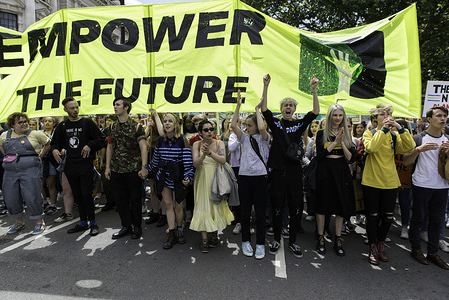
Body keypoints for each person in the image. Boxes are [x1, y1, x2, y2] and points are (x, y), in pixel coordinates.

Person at [261, 74, 320, 258]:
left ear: (294, 109)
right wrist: (266, 86)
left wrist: (314, 90)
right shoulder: (276, 123)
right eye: (285, 105)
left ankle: (293, 241)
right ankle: (277, 239)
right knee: (277, 208)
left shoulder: (300, 123)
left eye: (291, 105)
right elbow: (264, 109)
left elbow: (316, 112)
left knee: (295, 209)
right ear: (281, 109)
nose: (288, 107)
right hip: (278, 172)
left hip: (295, 172)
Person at [362, 104, 415, 265]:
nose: (386, 117)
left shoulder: (393, 135)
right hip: (372, 181)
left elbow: (409, 147)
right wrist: (383, 130)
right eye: (382, 115)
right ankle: (372, 246)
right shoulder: (369, 133)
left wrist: (400, 128)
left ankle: (381, 243)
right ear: (375, 118)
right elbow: (371, 148)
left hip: (390, 182)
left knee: (388, 217)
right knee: (373, 215)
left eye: (388, 114)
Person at [51, 97, 105, 236]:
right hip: (70, 165)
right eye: (71, 108)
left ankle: (93, 223)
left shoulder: (87, 123)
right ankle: (83, 222)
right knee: (77, 195)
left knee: (86, 194)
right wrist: (55, 149)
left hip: (85, 163)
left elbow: (101, 139)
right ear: (65, 110)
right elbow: (55, 143)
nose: (75, 110)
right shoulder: (62, 126)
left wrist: (90, 145)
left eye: (76, 107)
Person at [404, 106, 449, 269]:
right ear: (429, 119)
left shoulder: (448, 139)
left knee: (437, 221)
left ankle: (433, 252)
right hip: (422, 184)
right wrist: (419, 149)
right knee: (418, 218)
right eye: (439, 116)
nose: (442, 119)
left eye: (444, 116)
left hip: (442, 186)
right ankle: (415, 249)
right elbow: (406, 161)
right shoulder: (419, 138)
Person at [230, 85, 271, 259]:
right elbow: (232, 125)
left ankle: (260, 244)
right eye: (246, 125)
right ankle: (246, 241)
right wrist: (238, 106)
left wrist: (257, 109)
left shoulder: (265, 137)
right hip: (245, 178)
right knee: (245, 213)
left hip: (260, 178)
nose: (247, 128)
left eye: (249, 125)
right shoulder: (244, 137)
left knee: (260, 214)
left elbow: (262, 128)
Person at [148, 112, 194, 249]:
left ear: (175, 125)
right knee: (168, 205)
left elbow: (187, 162)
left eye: (170, 121)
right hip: (164, 176)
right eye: (165, 121)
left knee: (178, 206)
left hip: (178, 176)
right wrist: (147, 170)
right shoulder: (160, 140)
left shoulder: (182, 141)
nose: (167, 123)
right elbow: (155, 160)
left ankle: (179, 230)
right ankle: (172, 233)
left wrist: (188, 176)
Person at [315, 104, 356, 256]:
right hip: (325, 170)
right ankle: (320, 237)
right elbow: (319, 156)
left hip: (341, 170)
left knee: (340, 206)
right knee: (322, 206)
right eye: (335, 115)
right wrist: (333, 143)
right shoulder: (321, 133)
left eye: (340, 115)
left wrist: (341, 142)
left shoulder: (347, 133)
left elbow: (351, 157)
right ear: (329, 116)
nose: (337, 118)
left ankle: (338, 238)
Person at [0, 113, 50, 234]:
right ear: (12, 125)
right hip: (10, 171)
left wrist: (41, 156)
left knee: (32, 195)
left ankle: (39, 222)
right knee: (11, 197)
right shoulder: (4, 135)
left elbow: (48, 143)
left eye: (25, 121)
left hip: (30, 170)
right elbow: (1, 146)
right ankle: (19, 222)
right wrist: (7, 156)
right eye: (20, 122)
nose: (24, 124)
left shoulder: (35, 134)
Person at [105, 98, 148, 240]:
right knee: (121, 200)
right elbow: (110, 146)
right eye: (114, 105)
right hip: (117, 170)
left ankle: (137, 226)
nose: (115, 107)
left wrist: (144, 167)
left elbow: (143, 147)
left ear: (126, 107)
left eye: (118, 105)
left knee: (135, 200)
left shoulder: (136, 127)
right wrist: (107, 167)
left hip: (133, 170)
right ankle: (126, 226)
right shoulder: (112, 127)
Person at [190, 120, 234, 253]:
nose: (210, 132)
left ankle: (214, 235)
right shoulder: (196, 145)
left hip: (216, 180)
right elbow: (195, 164)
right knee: (202, 206)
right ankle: (204, 240)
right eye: (206, 130)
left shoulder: (219, 143)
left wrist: (210, 153)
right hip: (202, 180)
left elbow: (223, 160)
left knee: (215, 205)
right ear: (200, 133)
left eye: (211, 129)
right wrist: (203, 154)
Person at [41, 117, 59, 216]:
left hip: (51, 160)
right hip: (41, 160)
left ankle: (53, 204)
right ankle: (44, 202)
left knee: (50, 183)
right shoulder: (39, 133)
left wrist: (49, 138)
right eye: (45, 121)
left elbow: (56, 144)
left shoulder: (55, 132)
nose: (47, 123)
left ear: (54, 123)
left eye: (50, 121)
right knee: (40, 183)